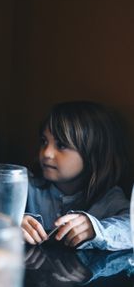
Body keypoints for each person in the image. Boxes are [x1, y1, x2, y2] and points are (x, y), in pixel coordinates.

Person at [22, 101, 132, 251]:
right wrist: (11, 223)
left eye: (61, 145)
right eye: (44, 141)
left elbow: (130, 227)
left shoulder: (109, 198)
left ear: (93, 153)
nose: (46, 153)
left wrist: (96, 229)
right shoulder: (26, 186)